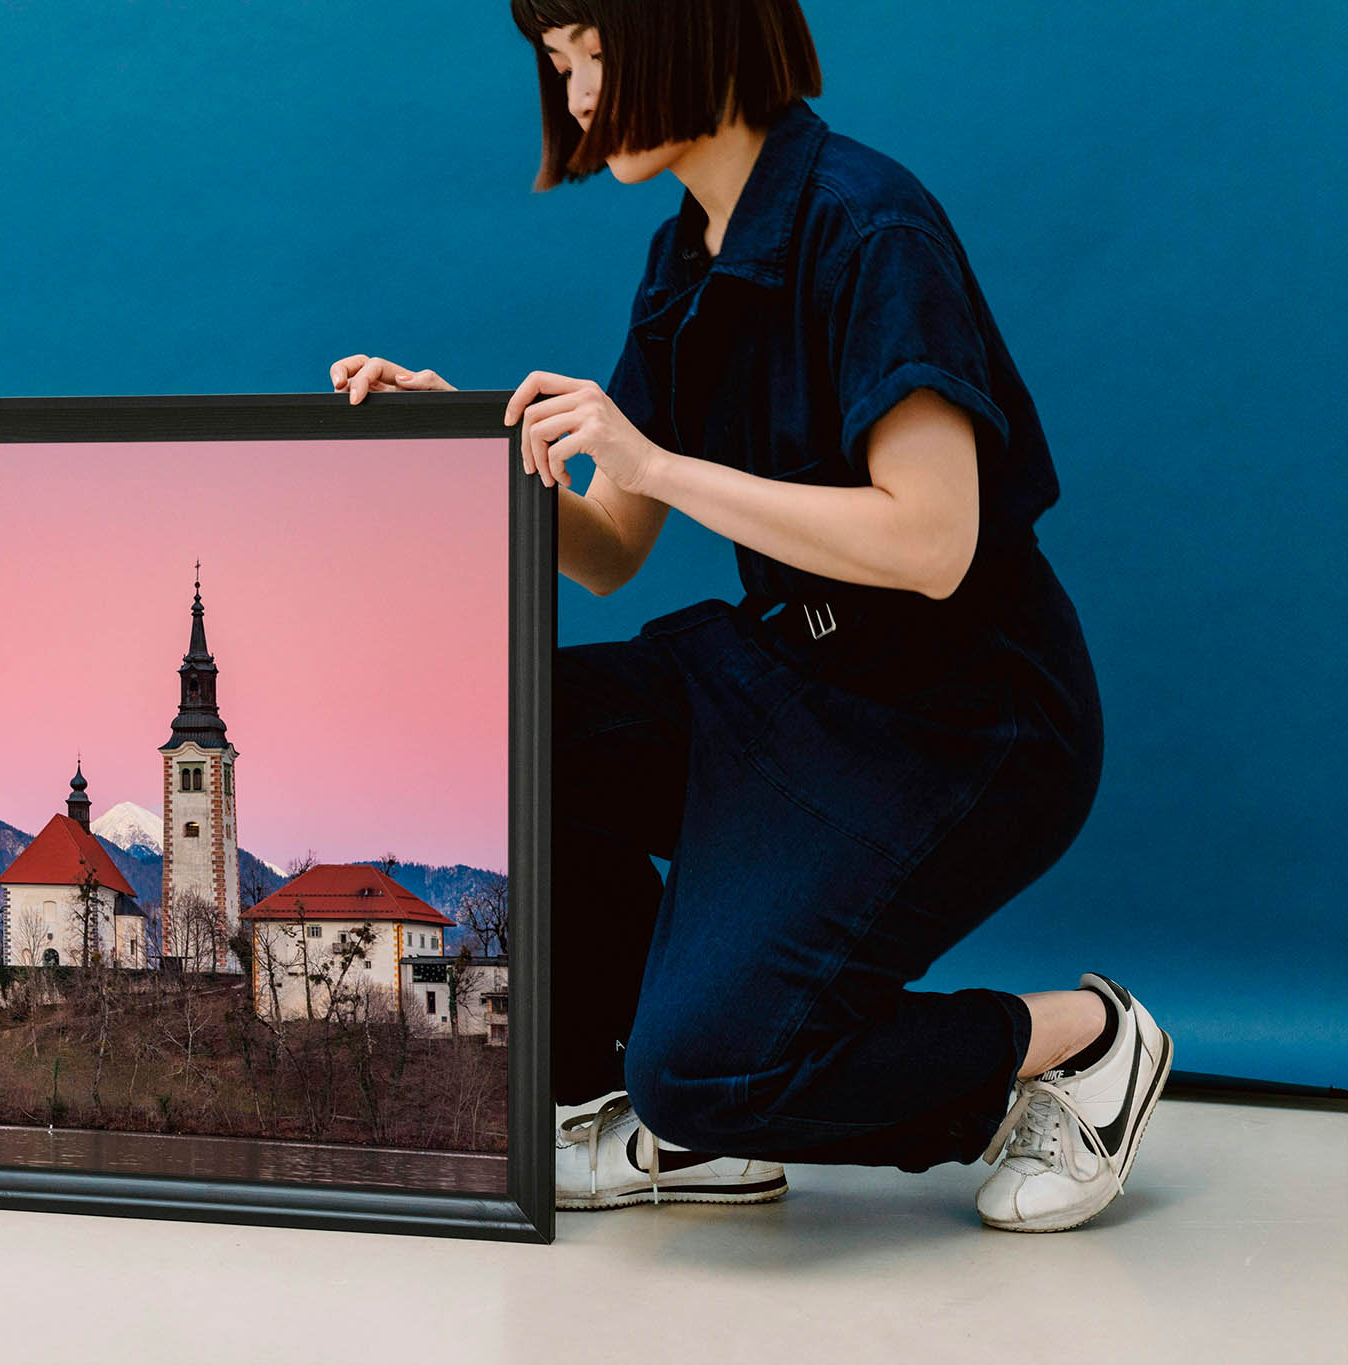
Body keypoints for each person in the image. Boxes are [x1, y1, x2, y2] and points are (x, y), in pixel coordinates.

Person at [328, 0, 1172, 1233]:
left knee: (713, 1067)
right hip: (789, 683)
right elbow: (611, 548)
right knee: (511, 725)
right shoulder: (687, 254)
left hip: (967, 717)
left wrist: (657, 463)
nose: (570, 97)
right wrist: (459, 444)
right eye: (555, 67)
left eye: (592, 57)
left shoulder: (868, 226)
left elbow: (932, 544)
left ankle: (1079, 1045)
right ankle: (657, 1127)